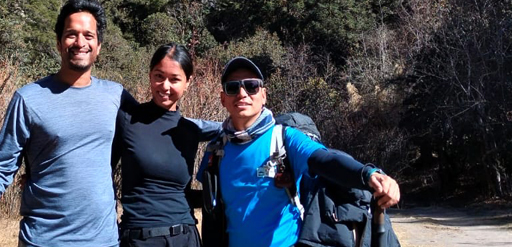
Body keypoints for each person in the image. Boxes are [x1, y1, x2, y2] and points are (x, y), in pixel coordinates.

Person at [0, 0, 136, 247]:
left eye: (88, 35)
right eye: (71, 34)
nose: (80, 42)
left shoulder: (116, 96)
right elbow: (1, 168)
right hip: (43, 240)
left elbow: (153, 132)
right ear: (58, 42)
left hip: (103, 240)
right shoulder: (29, 99)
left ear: (99, 46)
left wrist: (198, 133)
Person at [199, 57, 400, 247]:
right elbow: (208, 205)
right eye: (233, 88)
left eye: (251, 86)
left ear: (264, 95)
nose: (242, 93)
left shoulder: (285, 138)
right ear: (223, 98)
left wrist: (368, 174)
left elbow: (325, 160)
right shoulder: (216, 150)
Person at [113, 43, 221, 247]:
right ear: (150, 76)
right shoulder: (127, 120)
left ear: (188, 82)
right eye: (159, 76)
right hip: (139, 238)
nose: (165, 86)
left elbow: (238, 128)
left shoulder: (190, 131)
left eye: (175, 79)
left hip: (185, 236)